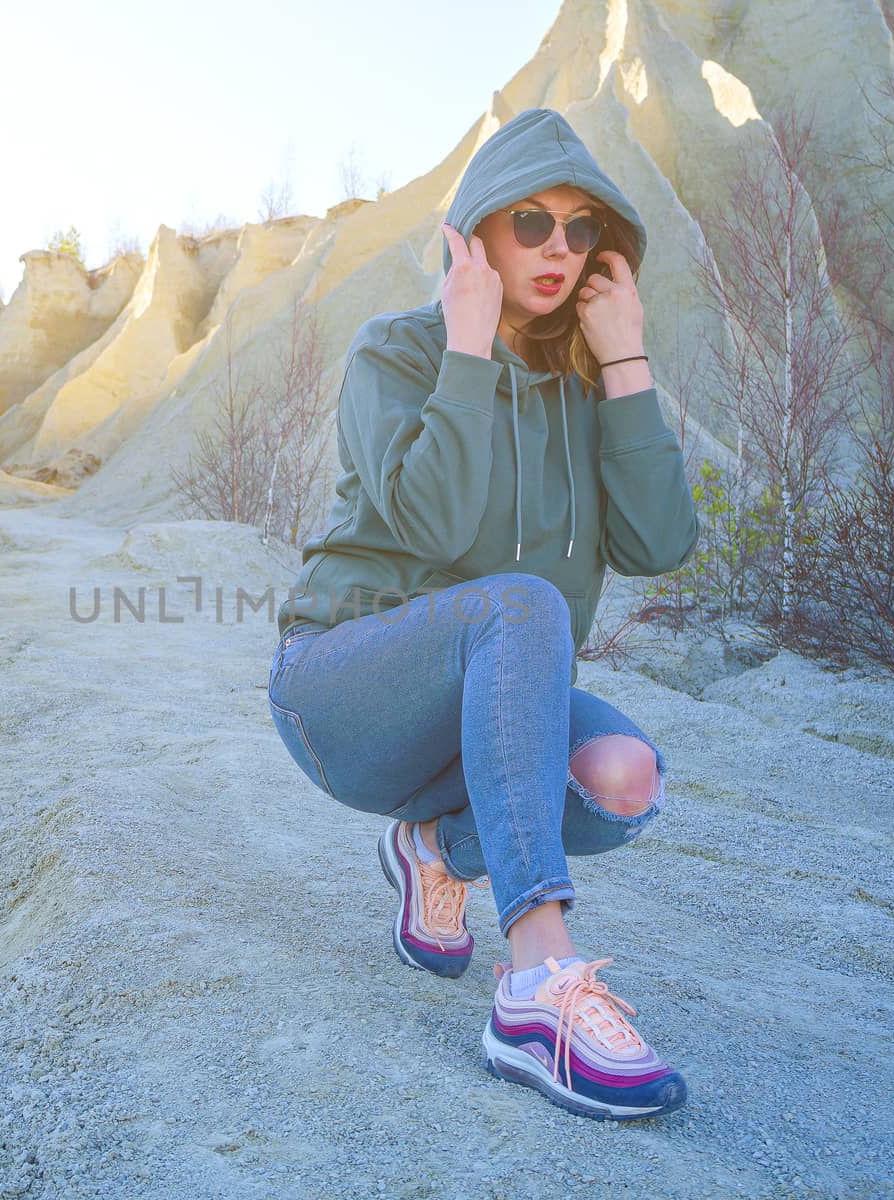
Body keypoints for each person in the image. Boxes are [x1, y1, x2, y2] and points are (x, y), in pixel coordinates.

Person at [266, 108, 699, 1121]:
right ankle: (537, 985)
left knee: (621, 781)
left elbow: (658, 545)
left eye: (582, 229)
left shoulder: (584, 387)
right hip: (341, 692)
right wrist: (467, 345)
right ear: (476, 234)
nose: (559, 248)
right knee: (522, 604)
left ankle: (433, 854)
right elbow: (431, 522)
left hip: (480, 714)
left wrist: (625, 363)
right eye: (532, 223)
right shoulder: (398, 354)